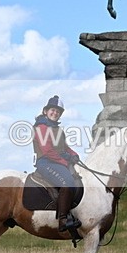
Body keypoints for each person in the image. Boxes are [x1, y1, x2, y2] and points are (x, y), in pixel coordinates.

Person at [32, 95, 82, 233]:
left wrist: (74, 155)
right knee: (67, 182)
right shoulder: (41, 127)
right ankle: (63, 219)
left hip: (57, 162)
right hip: (46, 162)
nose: (55, 113)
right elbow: (47, 151)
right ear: (45, 111)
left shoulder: (58, 130)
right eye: (52, 110)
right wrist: (65, 161)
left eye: (58, 112)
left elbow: (65, 148)